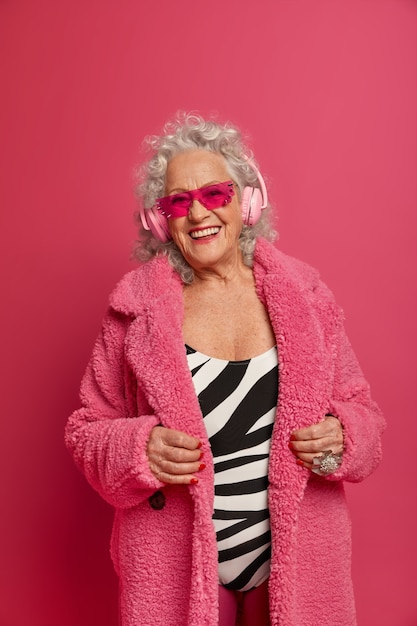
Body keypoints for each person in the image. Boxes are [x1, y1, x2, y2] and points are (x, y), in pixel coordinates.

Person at [65, 113, 385, 626]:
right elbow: (86, 431)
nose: (197, 214)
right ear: (159, 220)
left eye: (215, 194)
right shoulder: (134, 312)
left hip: (297, 559)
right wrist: (136, 447)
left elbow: (364, 416)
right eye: (178, 201)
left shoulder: (307, 297)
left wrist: (341, 437)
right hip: (174, 562)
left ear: (247, 201)